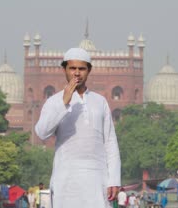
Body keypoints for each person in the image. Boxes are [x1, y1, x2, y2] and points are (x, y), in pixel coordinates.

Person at [35, 47, 121, 208]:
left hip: (97, 178)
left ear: (89, 71)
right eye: (72, 68)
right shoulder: (54, 101)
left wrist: (114, 179)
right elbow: (42, 133)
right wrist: (63, 103)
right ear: (64, 70)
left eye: (81, 68)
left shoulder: (99, 101)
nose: (77, 73)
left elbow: (110, 142)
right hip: (67, 178)